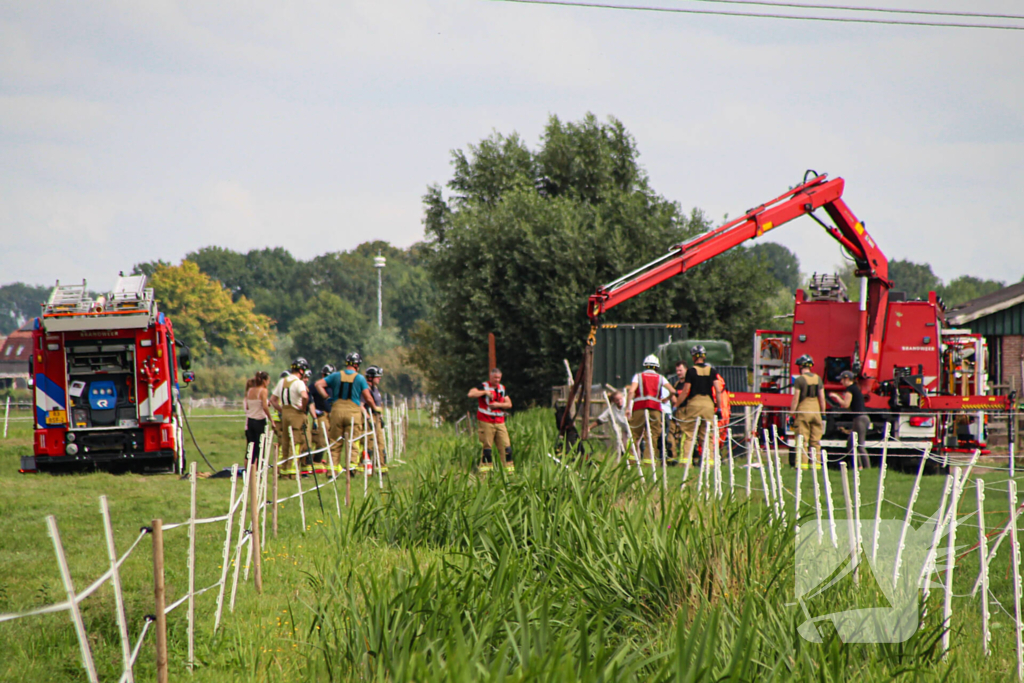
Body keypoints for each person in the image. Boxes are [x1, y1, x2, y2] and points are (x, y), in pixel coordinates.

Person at [317, 352, 376, 471]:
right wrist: (375, 408)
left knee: (335, 442)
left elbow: (318, 384)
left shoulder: (336, 375)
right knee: (353, 442)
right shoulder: (360, 378)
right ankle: (352, 469)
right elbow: (368, 397)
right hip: (353, 412)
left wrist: (327, 398)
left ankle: (331, 470)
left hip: (337, 411)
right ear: (357, 365)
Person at [674, 346, 720, 465]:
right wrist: (718, 407)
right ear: (704, 356)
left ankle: (685, 462)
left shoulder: (691, 371)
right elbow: (718, 390)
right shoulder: (712, 370)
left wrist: (676, 405)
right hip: (708, 404)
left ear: (693, 357)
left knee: (689, 434)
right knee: (707, 435)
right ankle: (709, 462)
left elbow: (685, 391)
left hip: (694, 403)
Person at [627, 355, 675, 465]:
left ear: (645, 365)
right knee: (653, 435)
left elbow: (631, 391)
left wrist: (628, 408)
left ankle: (631, 461)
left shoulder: (638, 376)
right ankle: (649, 462)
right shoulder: (661, 378)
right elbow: (672, 391)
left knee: (634, 435)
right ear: (656, 367)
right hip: (655, 409)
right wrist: (666, 399)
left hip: (639, 407)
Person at [270, 358, 313, 472]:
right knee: (296, 441)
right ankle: (292, 470)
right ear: (301, 371)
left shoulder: (282, 381)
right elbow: (305, 396)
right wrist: (303, 408)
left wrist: (281, 410)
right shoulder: (299, 383)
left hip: (285, 413)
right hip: (296, 414)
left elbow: (273, 400)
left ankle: (283, 469)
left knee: (285, 441)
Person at [467, 367, 513, 472]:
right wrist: (484, 392)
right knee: (487, 449)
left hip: (500, 422)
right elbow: (471, 394)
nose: (497, 380)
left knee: (507, 448)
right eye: (495, 377)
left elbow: (509, 404)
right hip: (486, 421)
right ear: (490, 376)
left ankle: (508, 473)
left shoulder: (502, 388)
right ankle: (485, 474)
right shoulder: (484, 386)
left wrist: (498, 404)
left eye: (499, 378)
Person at [790, 354, 826, 468]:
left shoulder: (799, 380)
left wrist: (792, 413)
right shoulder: (818, 378)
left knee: (802, 439)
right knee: (815, 440)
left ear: (800, 366)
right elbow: (822, 398)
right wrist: (823, 413)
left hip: (804, 410)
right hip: (816, 411)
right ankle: (816, 464)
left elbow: (796, 398)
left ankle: (803, 464)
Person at [829, 370, 870, 469]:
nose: (841, 382)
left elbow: (845, 404)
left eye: (842, 380)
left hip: (859, 419)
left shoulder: (850, 389)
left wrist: (836, 397)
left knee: (859, 445)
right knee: (851, 444)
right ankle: (859, 466)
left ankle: (866, 467)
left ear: (847, 379)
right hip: (862, 418)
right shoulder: (855, 388)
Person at [307, 364, 334, 465]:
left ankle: (325, 461)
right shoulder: (315, 386)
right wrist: (315, 414)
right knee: (321, 440)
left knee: (331, 439)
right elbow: (309, 398)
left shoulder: (334, 387)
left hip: (332, 415)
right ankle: (315, 461)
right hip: (321, 415)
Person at [243, 371, 271, 464]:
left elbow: (247, 406)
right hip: (259, 420)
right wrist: (271, 419)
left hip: (250, 421)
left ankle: (248, 470)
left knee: (250, 446)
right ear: (264, 381)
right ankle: (258, 469)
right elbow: (264, 406)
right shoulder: (263, 391)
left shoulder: (250, 391)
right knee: (260, 446)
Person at [589, 389, 629, 453]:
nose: (620, 401)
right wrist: (589, 428)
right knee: (623, 445)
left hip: (633, 427)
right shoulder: (612, 409)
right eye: (617, 400)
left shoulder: (628, 404)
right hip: (624, 430)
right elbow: (601, 420)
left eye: (620, 399)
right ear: (613, 401)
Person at [365, 365, 388, 469]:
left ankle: (382, 466)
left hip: (377, 419)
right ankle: (365, 467)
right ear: (370, 377)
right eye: (377, 376)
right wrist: (368, 419)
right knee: (369, 444)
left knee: (381, 443)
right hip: (370, 419)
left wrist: (381, 418)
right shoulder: (365, 390)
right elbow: (361, 406)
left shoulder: (376, 389)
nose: (380, 378)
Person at [668, 359, 688, 463]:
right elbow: (673, 396)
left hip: (687, 412)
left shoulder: (689, 384)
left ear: (686, 370)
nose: (678, 373)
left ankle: (684, 459)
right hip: (676, 412)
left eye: (680, 370)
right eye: (677, 371)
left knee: (685, 435)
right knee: (671, 433)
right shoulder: (676, 384)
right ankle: (673, 457)